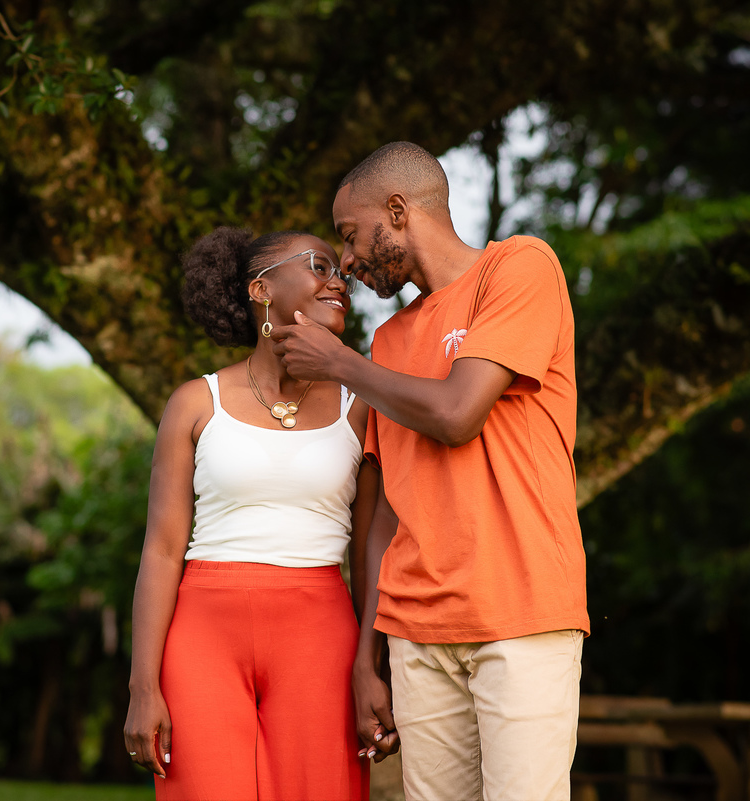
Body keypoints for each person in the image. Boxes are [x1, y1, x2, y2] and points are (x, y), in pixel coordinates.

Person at [270, 141, 590, 801]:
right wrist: (367, 657)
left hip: (520, 611)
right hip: (417, 633)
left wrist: (340, 363)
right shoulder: (390, 343)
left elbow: (457, 413)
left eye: (351, 235)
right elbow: (387, 514)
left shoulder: (519, 266)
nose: (348, 260)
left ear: (398, 209)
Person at [123, 227, 374, 801]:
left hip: (320, 635)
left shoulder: (360, 405)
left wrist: (371, 665)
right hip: (203, 637)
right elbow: (161, 550)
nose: (338, 279)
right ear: (261, 287)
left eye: (340, 271)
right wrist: (143, 686)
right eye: (319, 264)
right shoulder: (195, 401)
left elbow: (367, 552)